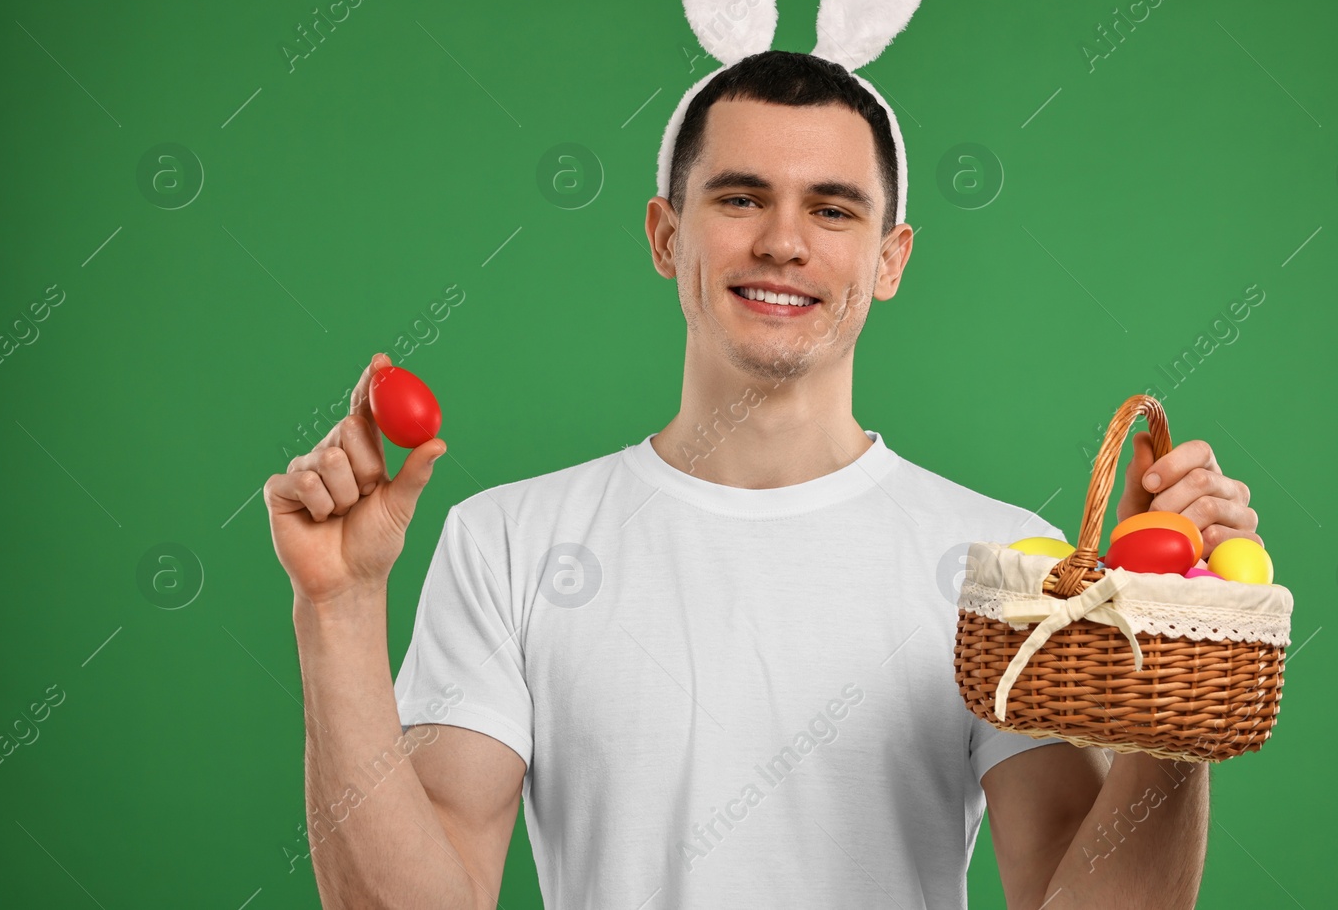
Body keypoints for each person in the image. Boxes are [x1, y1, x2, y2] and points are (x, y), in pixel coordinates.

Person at [265, 50, 1263, 909]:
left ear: (889, 258)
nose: (783, 238)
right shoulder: (510, 541)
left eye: (832, 208)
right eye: (740, 197)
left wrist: (1171, 648)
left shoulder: (1002, 566)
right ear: (666, 235)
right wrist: (339, 609)